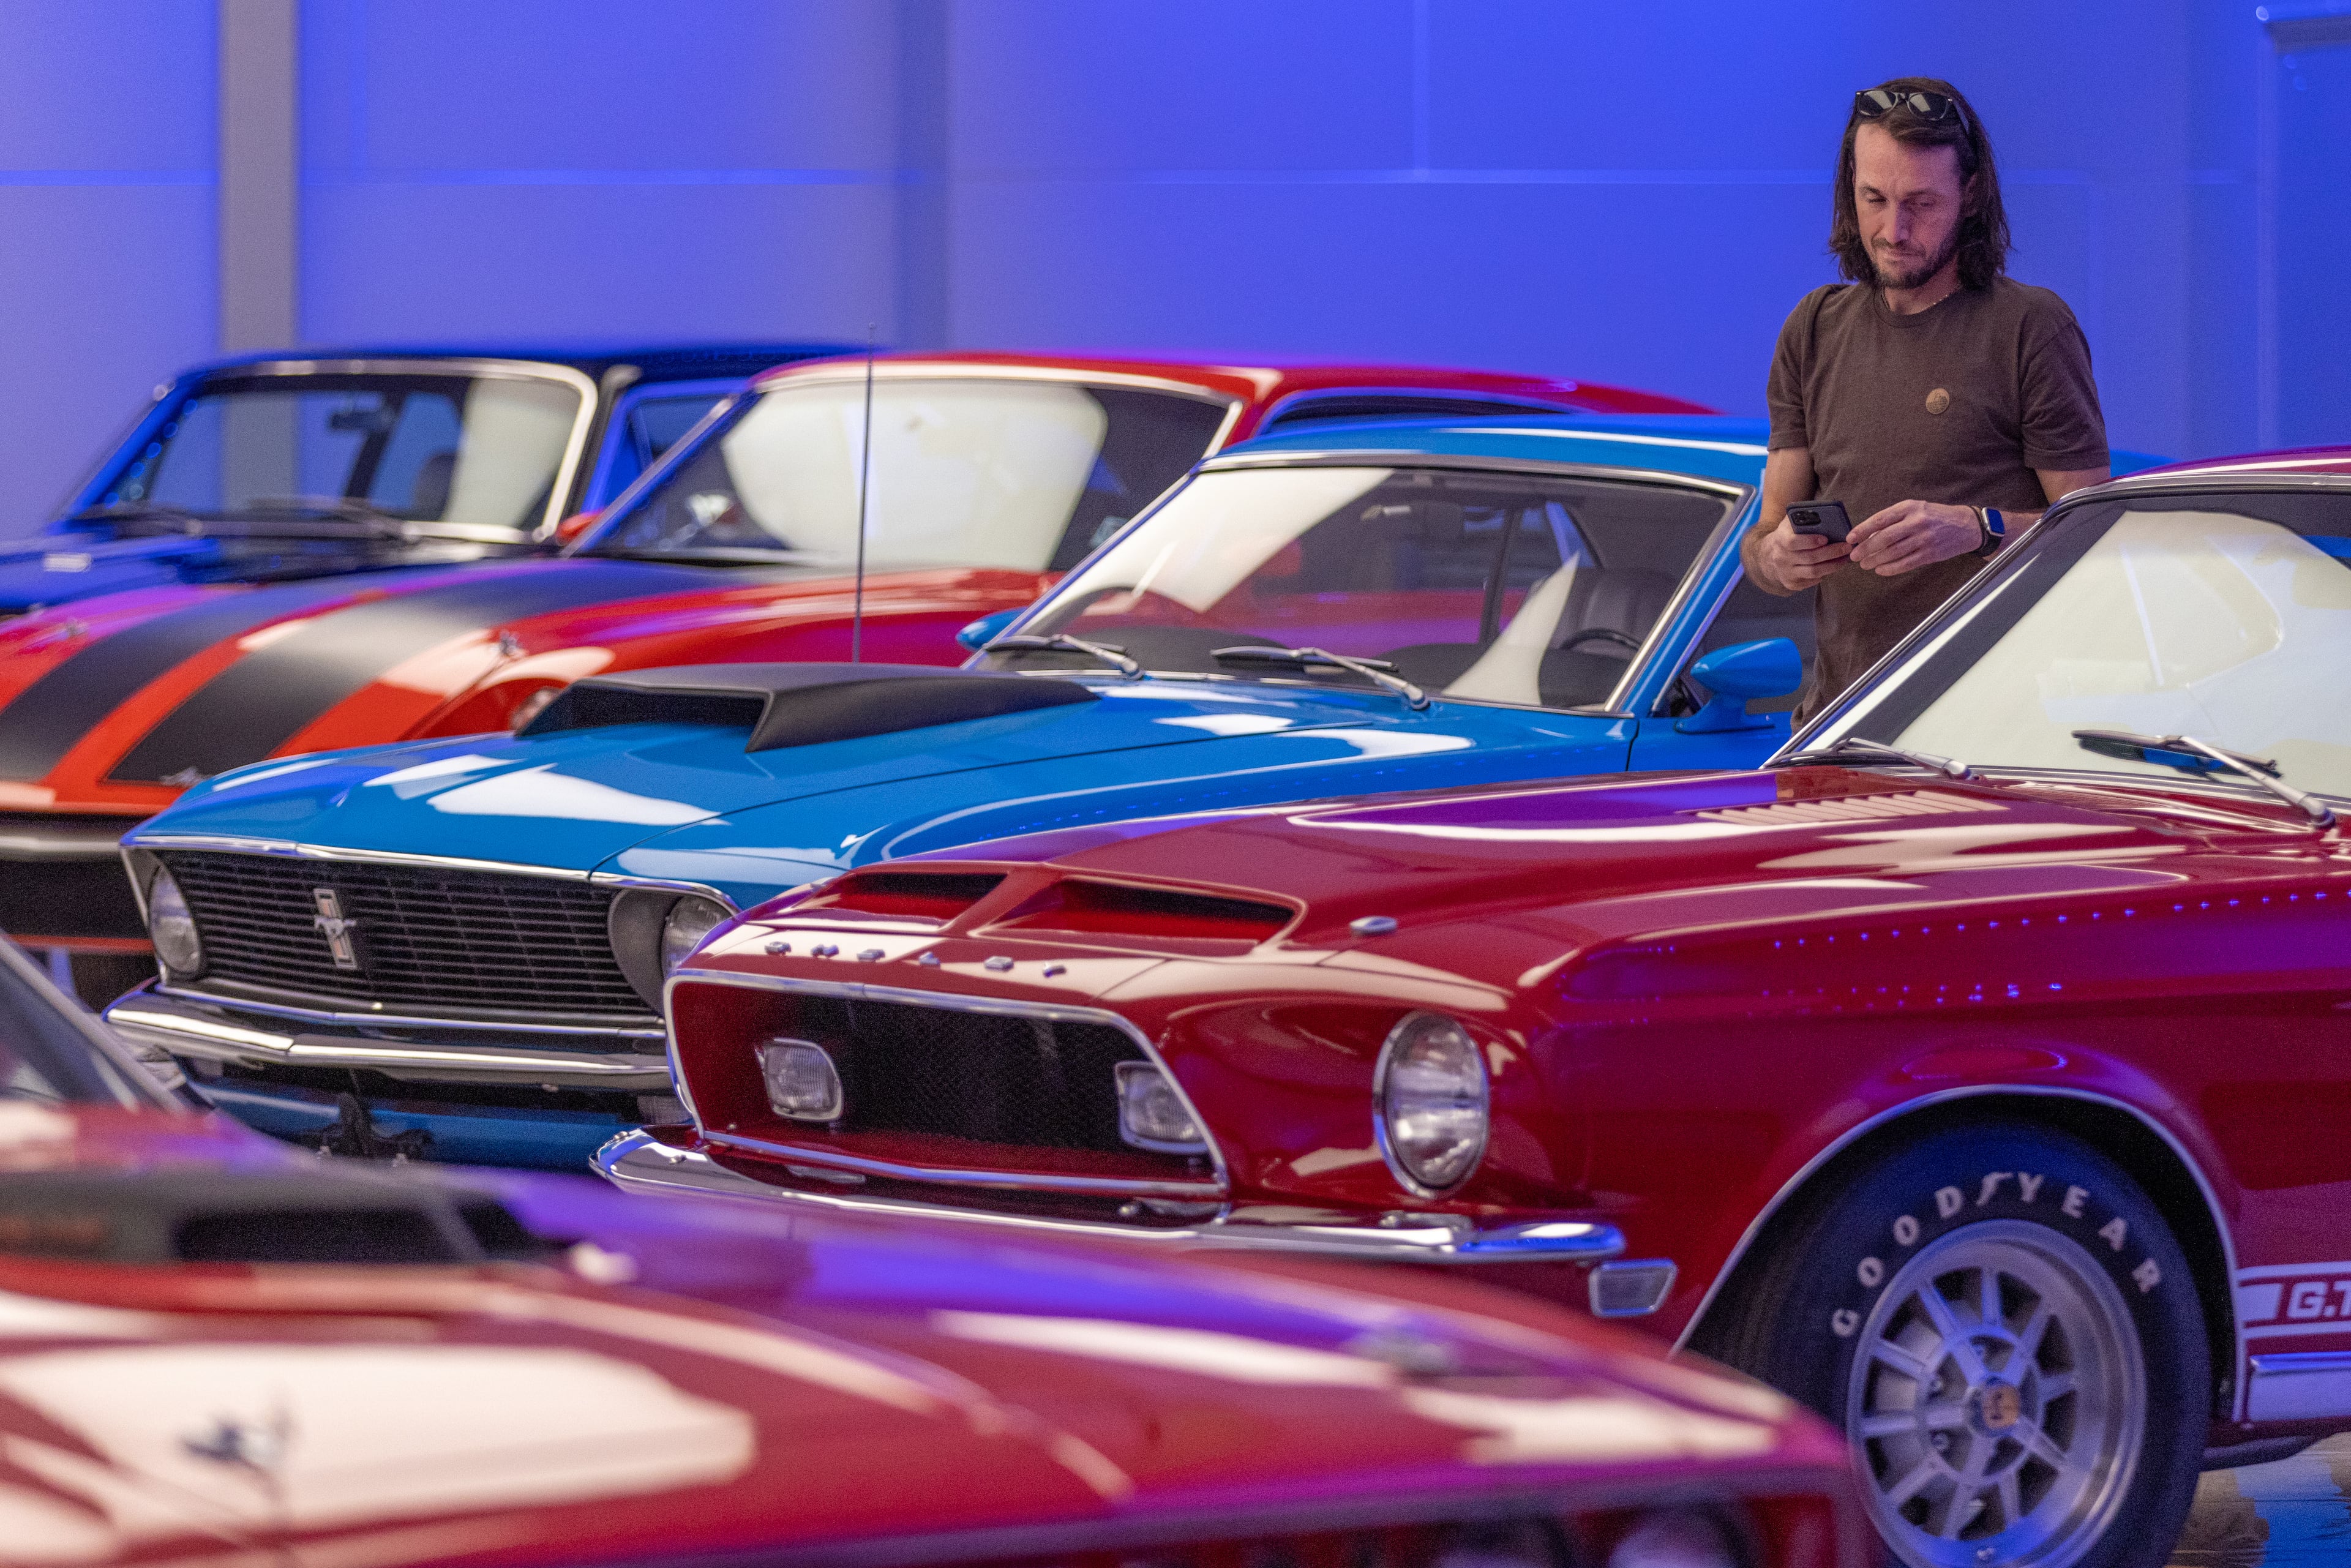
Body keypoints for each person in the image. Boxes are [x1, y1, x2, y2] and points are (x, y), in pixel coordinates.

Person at [1742, 77, 2110, 721]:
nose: (1894, 229)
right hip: (1838, 724)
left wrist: (1975, 527)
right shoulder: (1814, 327)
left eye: (1921, 203)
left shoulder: (2029, 327)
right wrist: (1778, 556)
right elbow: (1767, 536)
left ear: (1971, 195)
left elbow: (2096, 534)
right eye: (1874, 199)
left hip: (1992, 733)